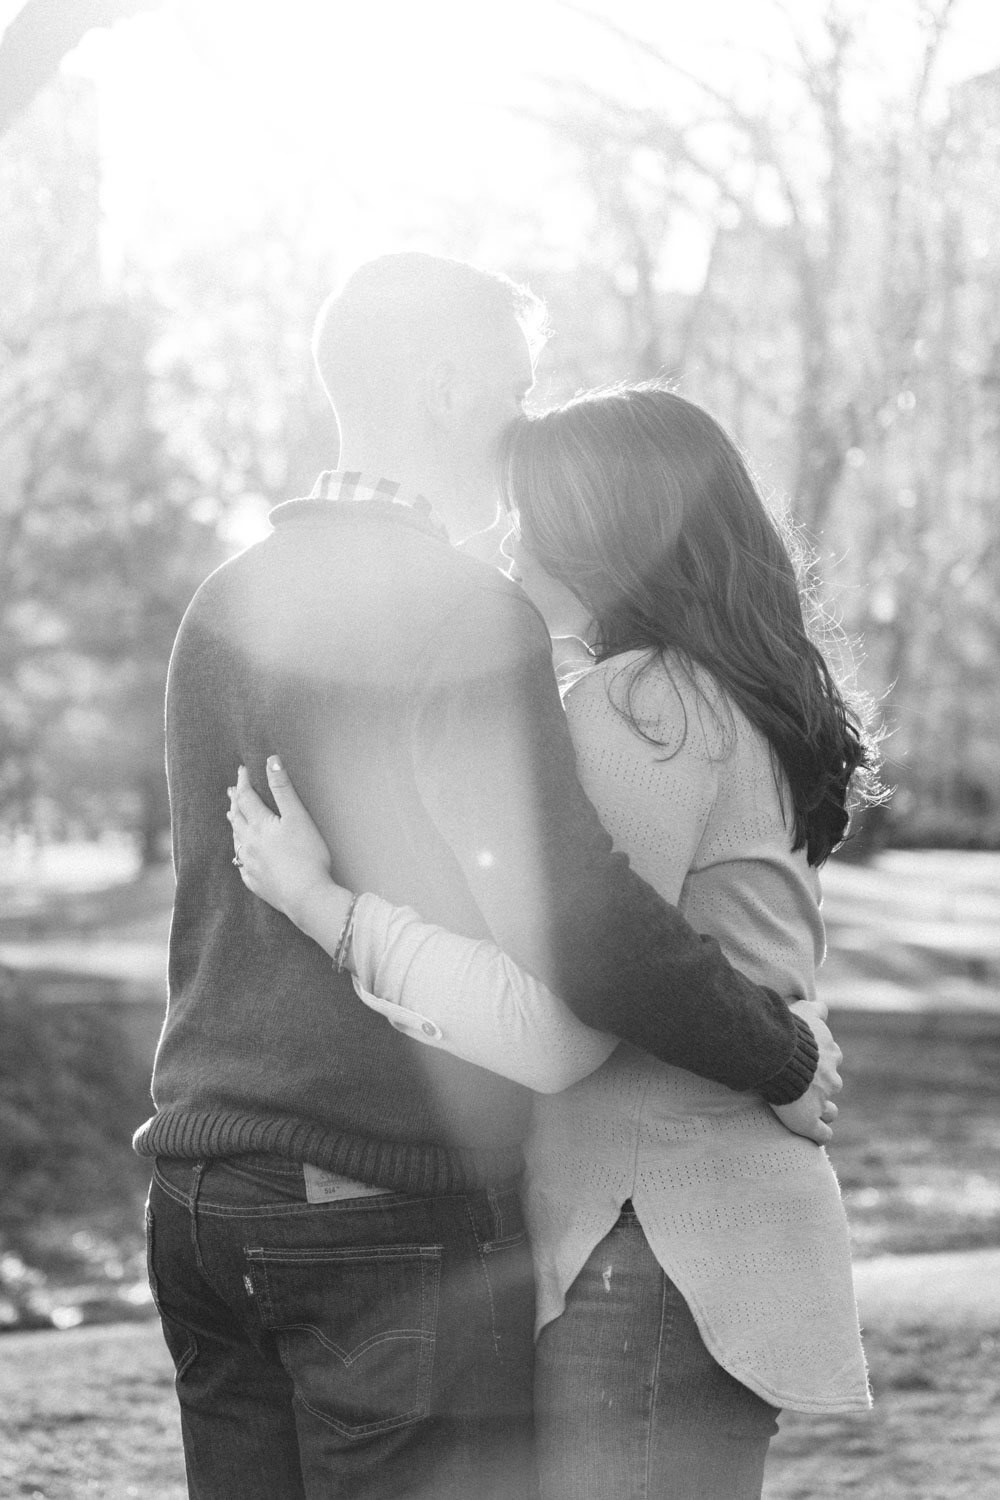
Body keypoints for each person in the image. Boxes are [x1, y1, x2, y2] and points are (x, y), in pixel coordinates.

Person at [137, 253, 840, 1500]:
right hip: (373, 1196)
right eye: (515, 395)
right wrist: (781, 1053)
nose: (524, 436)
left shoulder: (221, 602)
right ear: (452, 387)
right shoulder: (468, 615)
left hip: (201, 1187)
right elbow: (588, 934)